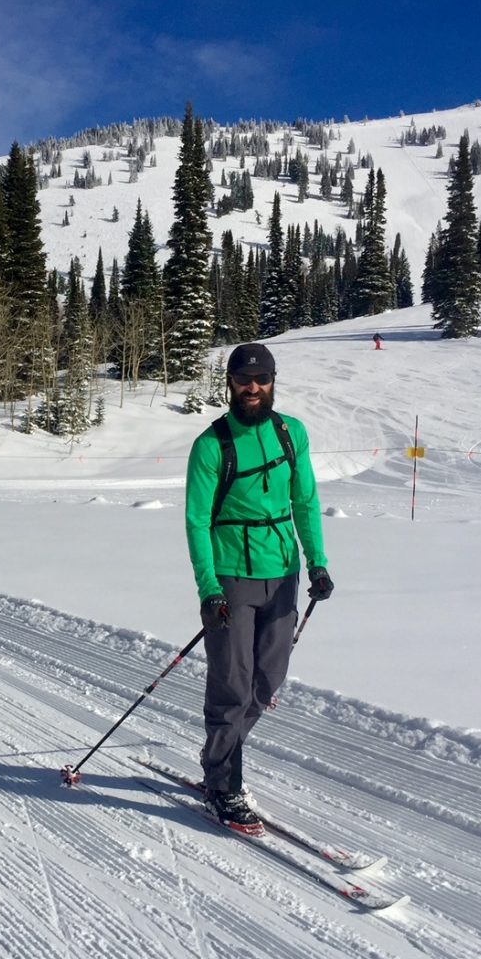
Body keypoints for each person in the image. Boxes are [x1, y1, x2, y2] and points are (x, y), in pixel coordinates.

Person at [184, 342, 333, 833]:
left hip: (283, 571)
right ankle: (223, 784)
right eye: (244, 379)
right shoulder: (211, 445)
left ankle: (217, 753)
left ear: (273, 381)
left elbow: (306, 501)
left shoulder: (292, 433)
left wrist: (318, 563)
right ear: (229, 383)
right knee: (232, 681)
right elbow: (196, 521)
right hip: (230, 575)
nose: (253, 388)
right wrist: (210, 588)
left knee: (267, 680)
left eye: (261, 379)